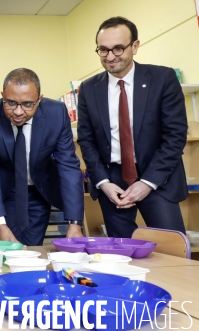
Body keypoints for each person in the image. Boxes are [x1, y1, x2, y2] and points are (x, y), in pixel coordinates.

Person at [77, 16, 188, 238]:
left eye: (118, 49)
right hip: (112, 183)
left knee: (172, 250)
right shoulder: (88, 88)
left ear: (135, 46)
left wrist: (147, 182)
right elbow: (87, 141)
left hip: (156, 177)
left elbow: (175, 136)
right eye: (103, 50)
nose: (110, 57)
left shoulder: (162, 78)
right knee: (121, 255)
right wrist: (102, 182)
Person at [0, 68, 84, 246]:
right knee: (8, 250)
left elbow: (68, 166)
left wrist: (75, 223)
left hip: (39, 190)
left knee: (33, 250)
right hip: (6, 191)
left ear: (39, 100)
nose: (18, 112)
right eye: (10, 103)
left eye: (27, 104)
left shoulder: (56, 113)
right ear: (3, 95)